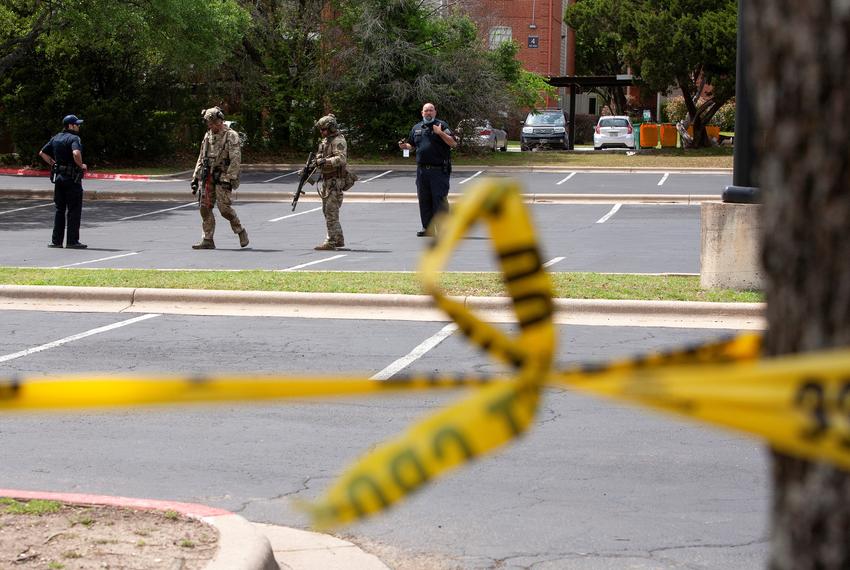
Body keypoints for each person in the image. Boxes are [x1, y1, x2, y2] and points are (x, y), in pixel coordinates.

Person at [190, 107, 248, 249]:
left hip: (223, 176)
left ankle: (240, 230)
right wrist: (195, 177)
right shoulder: (207, 135)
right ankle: (208, 239)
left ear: (219, 121)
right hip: (208, 176)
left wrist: (229, 177)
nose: (210, 126)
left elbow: (235, 159)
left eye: (213, 123)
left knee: (224, 210)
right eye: (209, 124)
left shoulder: (231, 136)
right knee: (204, 208)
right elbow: (201, 156)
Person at [398, 102, 457, 237]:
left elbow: (453, 143)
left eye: (431, 110)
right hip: (422, 171)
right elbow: (411, 145)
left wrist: (440, 133)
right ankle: (428, 228)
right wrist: (404, 146)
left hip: (439, 170)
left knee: (439, 199)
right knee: (424, 199)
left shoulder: (442, 125)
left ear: (435, 112)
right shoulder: (417, 128)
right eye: (426, 111)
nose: (428, 113)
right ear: (422, 113)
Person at [38, 115, 88, 248]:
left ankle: (56, 241)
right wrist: (81, 165)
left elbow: (42, 152)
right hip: (72, 179)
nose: (78, 126)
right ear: (70, 126)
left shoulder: (56, 137)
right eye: (77, 124)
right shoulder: (74, 138)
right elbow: (76, 153)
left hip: (59, 178)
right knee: (73, 209)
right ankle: (72, 241)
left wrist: (53, 163)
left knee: (59, 209)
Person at [311, 114, 350, 250]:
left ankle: (331, 241)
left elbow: (341, 159)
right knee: (327, 211)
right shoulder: (326, 141)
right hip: (327, 181)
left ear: (331, 128)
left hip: (335, 181)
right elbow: (320, 156)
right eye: (320, 130)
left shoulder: (338, 141)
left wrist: (325, 161)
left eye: (324, 130)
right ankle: (338, 239)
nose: (321, 133)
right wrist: (316, 161)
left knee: (331, 212)